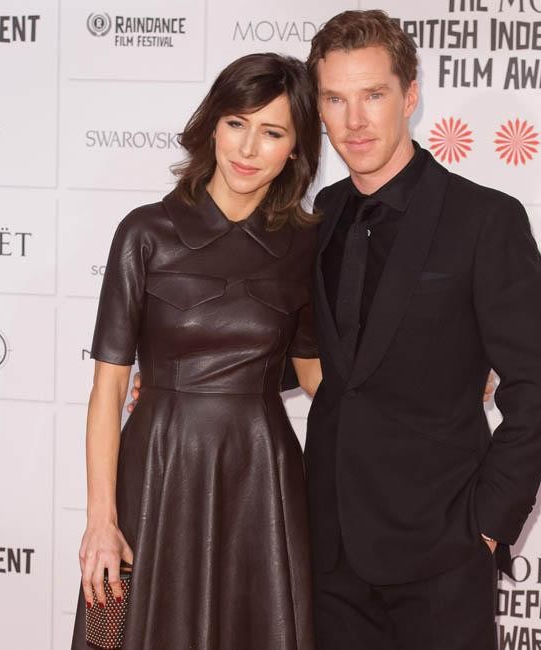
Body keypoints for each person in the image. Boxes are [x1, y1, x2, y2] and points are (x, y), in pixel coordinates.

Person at [302, 10, 541, 650]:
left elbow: (538, 385)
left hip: (442, 551)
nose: (354, 120)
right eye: (335, 99)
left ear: (411, 95)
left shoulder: (484, 219)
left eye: (373, 95)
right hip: (331, 549)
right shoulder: (323, 213)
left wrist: (486, 524)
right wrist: (186, 379)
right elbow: (327, 354)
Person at [71, 53, 323, 649]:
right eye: (237, 123)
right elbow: (109, 389)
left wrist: (431, 390)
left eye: (272, 132)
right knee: (124, 629)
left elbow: (318, 375)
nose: (248, 148)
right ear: (213, 125)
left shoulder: (305, 246)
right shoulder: (145, 233)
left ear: (295, 149)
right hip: (156, 470)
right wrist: (101, 520)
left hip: (260, 475)